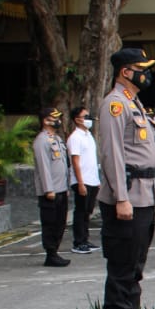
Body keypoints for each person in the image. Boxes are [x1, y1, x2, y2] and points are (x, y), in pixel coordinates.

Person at [96, 47, 155, 309]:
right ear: (125, 72)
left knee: (135, 268)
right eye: (142, 69)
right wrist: (121, 198)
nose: (146, 74)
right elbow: (112, 154)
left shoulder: (133, 103)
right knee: (122, 269)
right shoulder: (115, 104)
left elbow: (138, 148)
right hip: (127, 199)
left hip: (144, 197)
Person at [33, 107, 71, 266]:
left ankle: (55, 251)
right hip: (51, 191)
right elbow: (44, 167)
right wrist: (49, 189)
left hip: (61, 188)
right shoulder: (41, 140)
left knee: (60, 223)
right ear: (45, 121)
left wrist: (66, 186)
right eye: (54, 118)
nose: (58, 121)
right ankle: (51, 253)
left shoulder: (56, 138)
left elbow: (63, 164)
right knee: (50, 223)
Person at [67, 106, 100, 254]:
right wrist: (80, 183)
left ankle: (85, 239)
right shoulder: (75, 137)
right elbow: (75, 161)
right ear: (77, 120)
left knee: (87, 212)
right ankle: (78, 242)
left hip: (91, 179)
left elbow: (91, 160)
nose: (89, 119)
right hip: (82, 180)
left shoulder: (89, 136)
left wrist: (97, 180)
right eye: (85, 116)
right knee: (80, 212)